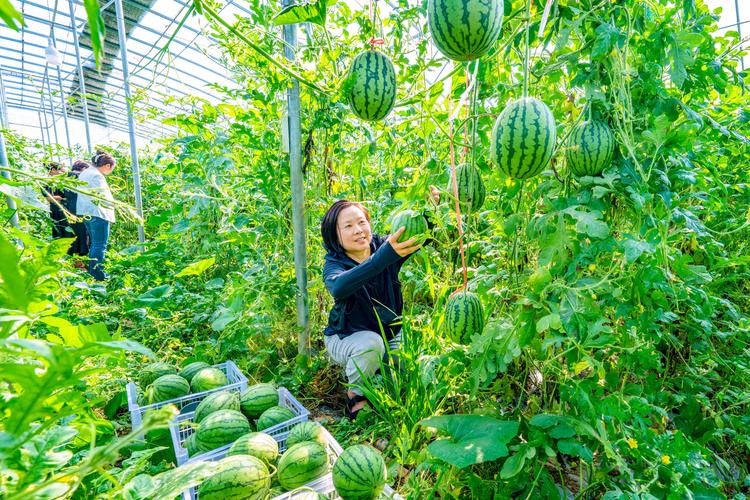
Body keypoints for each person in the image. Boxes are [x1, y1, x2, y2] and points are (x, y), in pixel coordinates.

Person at [321, 199, 429, 419]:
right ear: (335, 236)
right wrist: (382, 258)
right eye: (348, 226)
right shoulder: (334, 264)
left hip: (389, 333)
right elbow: (339, 287)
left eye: (361, 222)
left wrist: (432, 206)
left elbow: (420, 233)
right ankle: (356, 394)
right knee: (371, 345)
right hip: (346, 338)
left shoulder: (385, 248)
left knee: (405, 372)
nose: (358, 230)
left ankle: (379, 377)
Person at [76, 150, 116, 281]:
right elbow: (103, 196)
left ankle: (94, 273)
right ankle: (99, 275)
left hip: (86, 212)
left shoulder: (85, 173)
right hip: (98, 213)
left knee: (94, 244)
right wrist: (115, 205)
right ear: (107, 166)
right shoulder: (97, 175)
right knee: (100, 245)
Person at [64, 160, 91, 263]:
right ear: (83, 169)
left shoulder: (65, 177)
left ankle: (76, 261)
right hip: (81, 208)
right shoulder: (80, 177)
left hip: (70, 208)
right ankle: (83, 261)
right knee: (83, 234)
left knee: (74, 233)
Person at [44, 162, 68, 239]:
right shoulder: (47, 182)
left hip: (64, 208)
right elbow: (49, 198)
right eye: (61, 171)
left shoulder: (62, 181)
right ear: (53, 170)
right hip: (57, 210)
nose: (63, 173)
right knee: (61, 231)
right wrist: (65, 198)